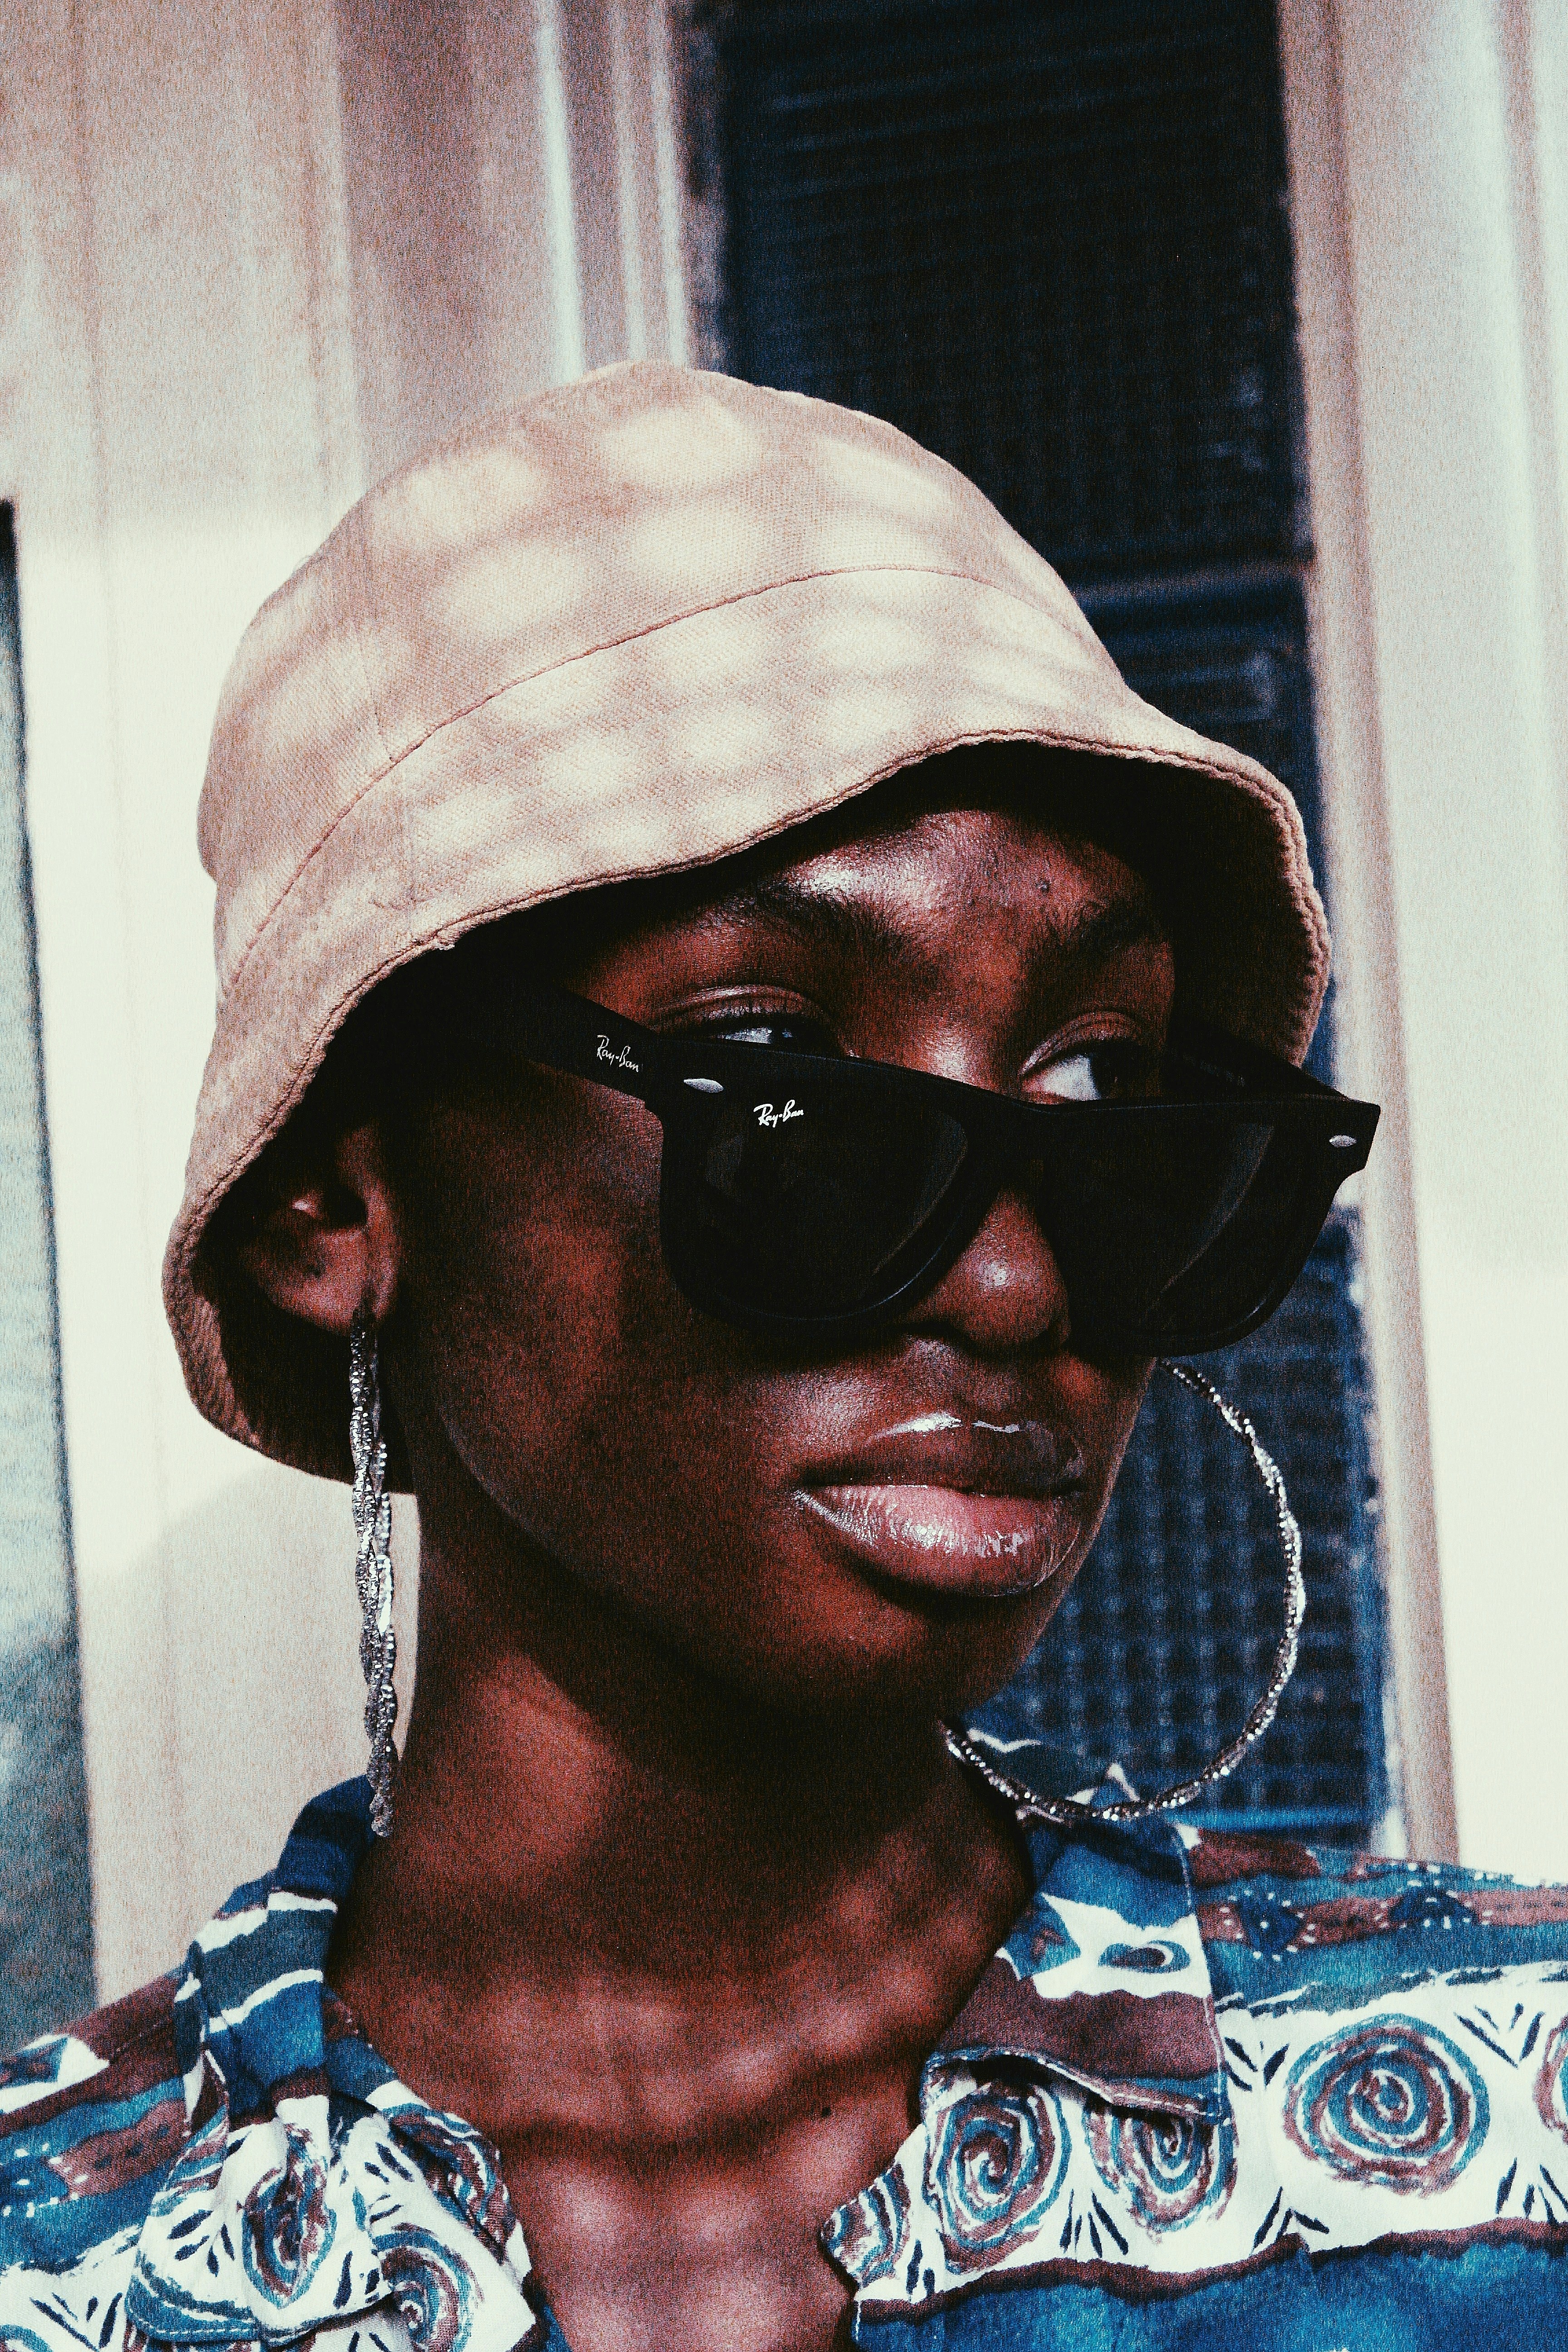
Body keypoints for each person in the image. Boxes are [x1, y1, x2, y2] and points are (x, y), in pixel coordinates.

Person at [1, 364, 1564, 2352]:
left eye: (1099, 1083)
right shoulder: (65, 2278)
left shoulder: (1514, 2137)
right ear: (335, 1197)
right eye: (775, 1076)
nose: (1015, 1288)